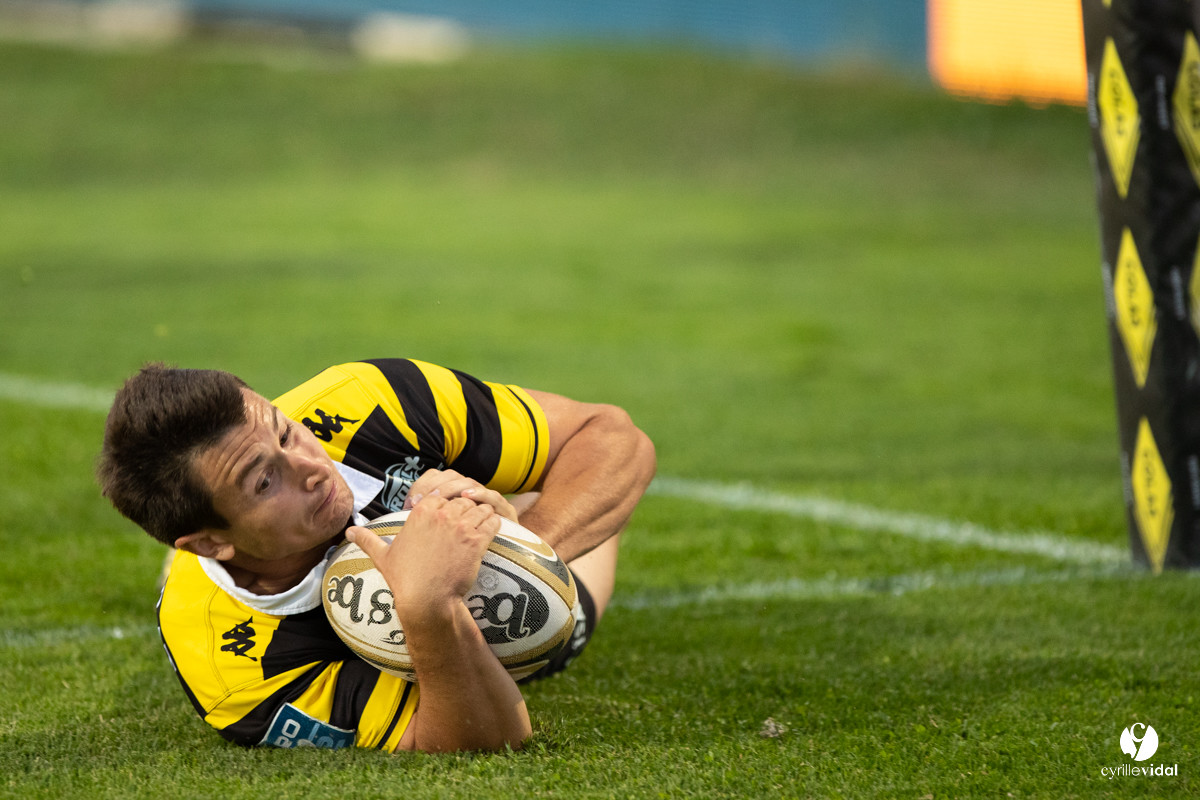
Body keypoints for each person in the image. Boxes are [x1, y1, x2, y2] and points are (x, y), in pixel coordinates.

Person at [97, 358, 655, 753]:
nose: (314, 469)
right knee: (545, 644)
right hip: (314, 632)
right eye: (265, 482)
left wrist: (517, 549)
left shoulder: (365, 400)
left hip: (485, 509)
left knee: (552, 605)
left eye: (285, 434)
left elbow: (612, 435)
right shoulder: (234, 676)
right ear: (211, 542)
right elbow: (482, 738)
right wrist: (426, 606)